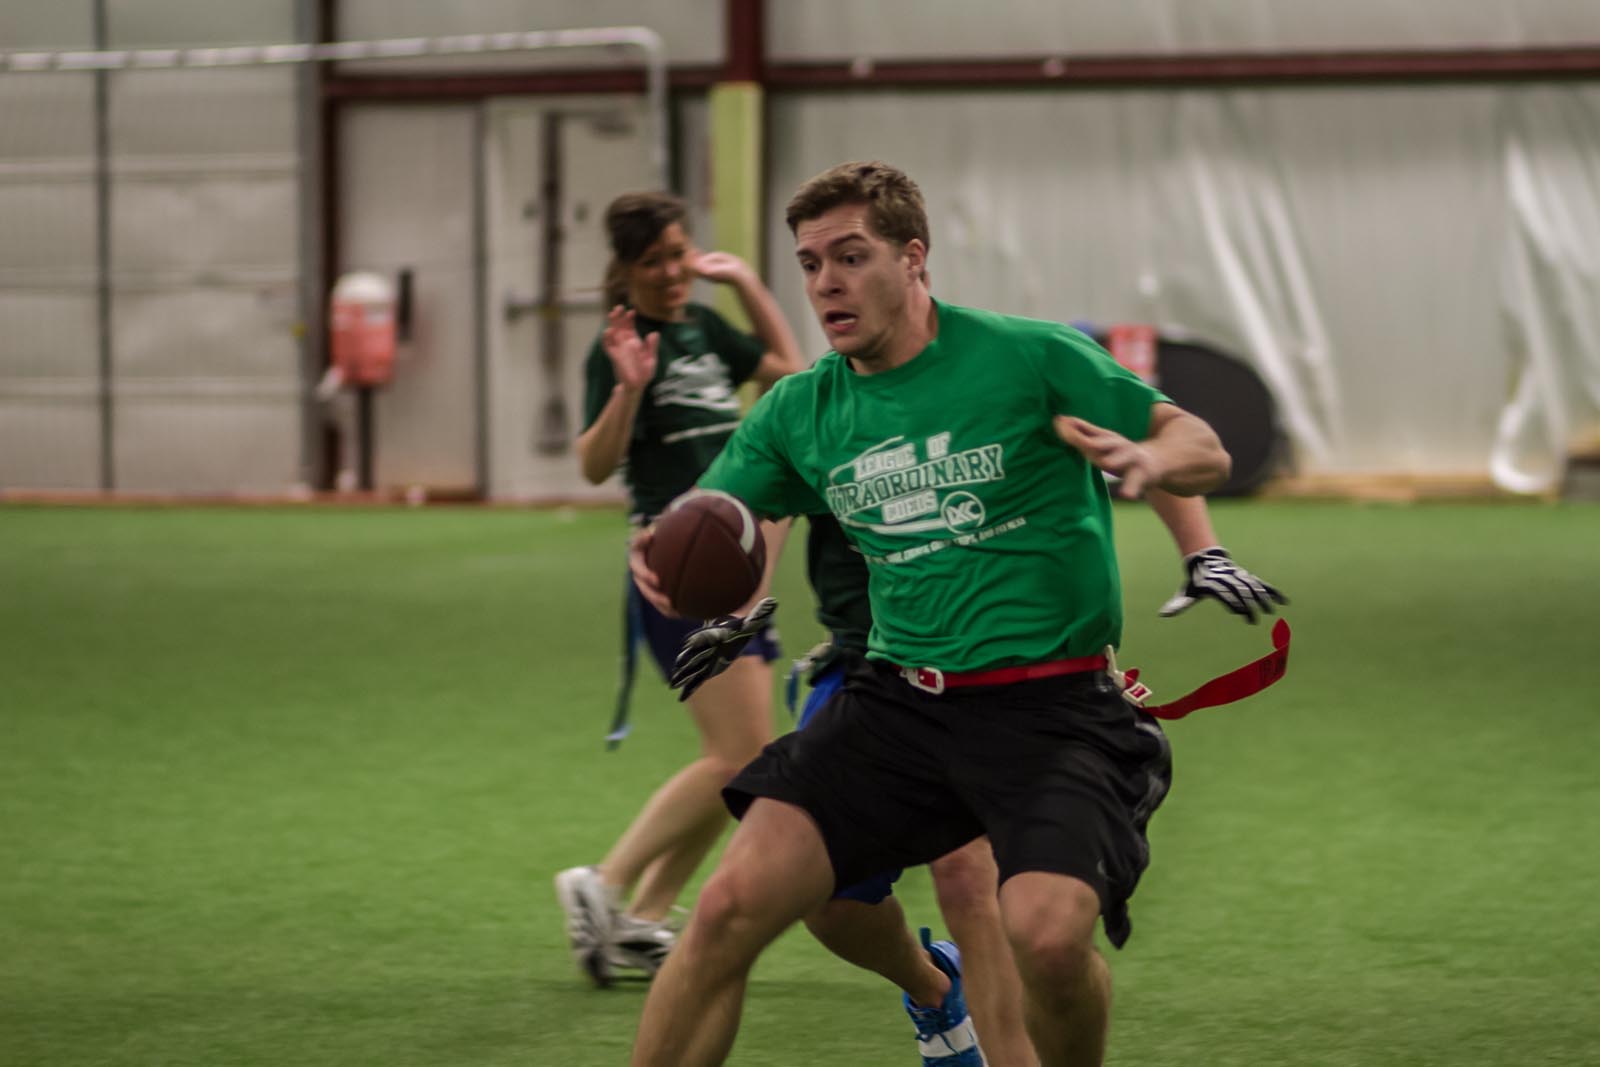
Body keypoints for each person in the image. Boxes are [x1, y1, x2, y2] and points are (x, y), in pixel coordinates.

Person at [626, 160, 1234, 1067]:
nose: (826, 282)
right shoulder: (801, 409)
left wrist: (1153, 460)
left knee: (1048, 939)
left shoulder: (1028, 354)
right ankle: (930, 993)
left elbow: (1202, 444)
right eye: (810, 263)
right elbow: (718, 517)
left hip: (1053, 709)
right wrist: (669, 551)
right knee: (726, 908)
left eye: (851, 256)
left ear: (914, 258)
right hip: (898, 705)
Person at [553, 191, 805, 988]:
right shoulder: (620, 344)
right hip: (678, 568)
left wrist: (749, 286)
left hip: (737, 563)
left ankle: (643, 917)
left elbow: (793, 376)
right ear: (625, 269)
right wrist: (629, 386)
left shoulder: (703, 326)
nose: (670, 273)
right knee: (741, 755)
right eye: (652, 262)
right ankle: (603, 882)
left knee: (741, 757)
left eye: (677, 255)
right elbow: (594, 464)